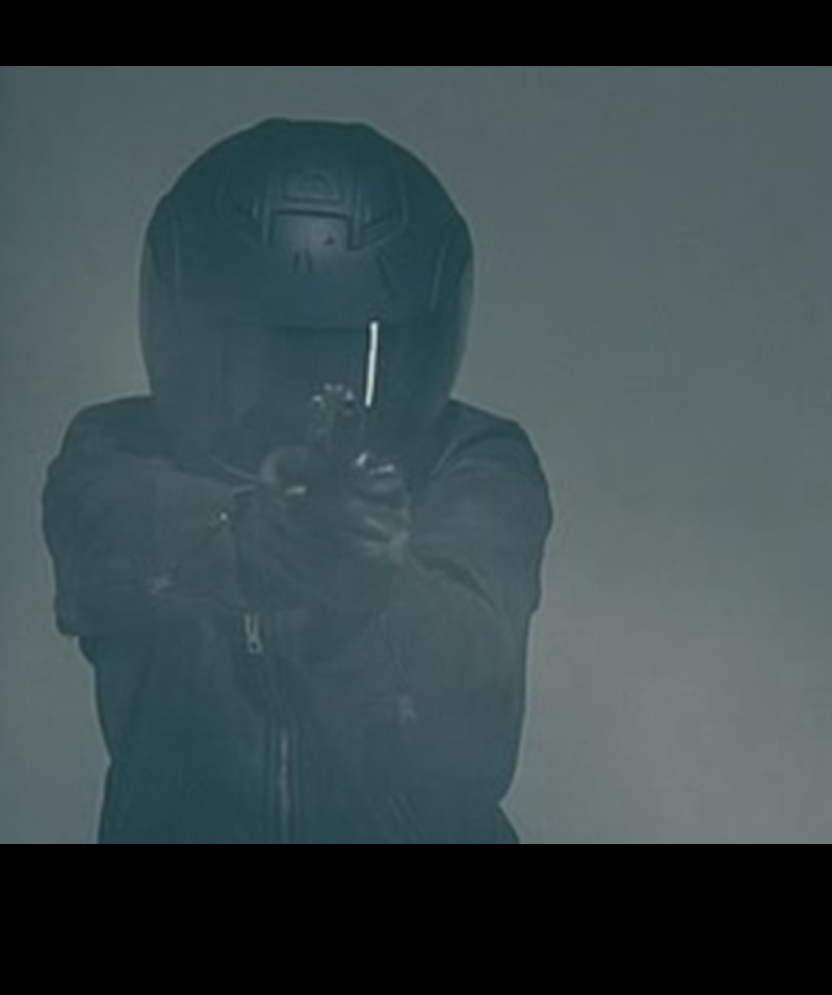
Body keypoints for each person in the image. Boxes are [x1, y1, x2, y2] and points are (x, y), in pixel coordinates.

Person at [41, 119, 552, 843]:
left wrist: (375, 582)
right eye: (267, 356)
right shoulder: (114, 452)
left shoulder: (477, 463)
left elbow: (473, 680)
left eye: (340, 355)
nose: (299, 396)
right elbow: (106, 545)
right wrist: (248, 537)